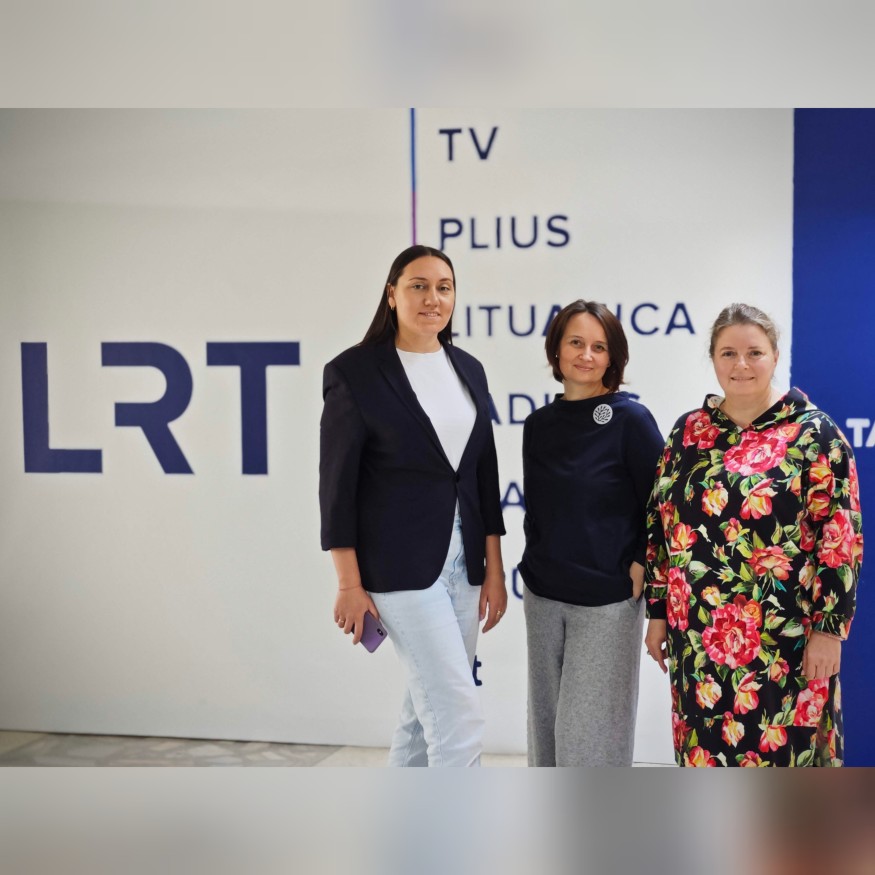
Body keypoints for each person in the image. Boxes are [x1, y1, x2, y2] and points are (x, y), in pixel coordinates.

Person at [644, 303, 863, 767]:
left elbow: (840, 538)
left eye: (754, 352)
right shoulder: (687, 433)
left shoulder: (814, 434)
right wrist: (658, 613)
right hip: (698, 643)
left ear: (775, 356)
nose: (741, 364)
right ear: (713, 359)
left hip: (787, 642)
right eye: (728, 353)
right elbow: (661, 528)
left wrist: (829, 631)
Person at [319, 244, 507, 767]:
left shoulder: (468, 368)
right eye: (418, 286)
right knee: (457, 716)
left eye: (444, 287)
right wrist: (349, 584)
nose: (432, 298)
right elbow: (336, 488)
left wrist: (493, 568)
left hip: (465, 566)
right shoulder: (354, 372)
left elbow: (482, 473)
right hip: (398, 567)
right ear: (392, 294)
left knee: (424, 716)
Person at [519, 300, 664, 766]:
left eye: (599, 347)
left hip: (606, 601)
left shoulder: (630, 421)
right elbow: (539, 509)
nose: (586, 355)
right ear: (556, 350)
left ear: (613, 357)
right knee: (545, 738)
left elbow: (662, 503)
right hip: (543, 597)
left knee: (590, 743)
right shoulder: (538, 425)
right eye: (576, 343)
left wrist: (641, 559)